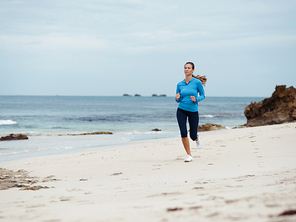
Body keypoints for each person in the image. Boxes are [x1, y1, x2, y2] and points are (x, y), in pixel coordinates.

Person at [175, 62, 207, 162]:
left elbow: (203, 95)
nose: (186, 69)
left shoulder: (197, 82)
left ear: (193, 70)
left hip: (193, 111)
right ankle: (189, 155)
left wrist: (196, 99)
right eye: (185, 68)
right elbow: (178, 99)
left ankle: (196, 138)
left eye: (189, 68)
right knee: (183, 132)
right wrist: (177, 98)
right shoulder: (180, 84)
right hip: (181, 110)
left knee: (192, 135)